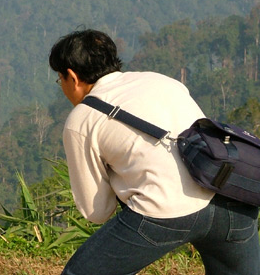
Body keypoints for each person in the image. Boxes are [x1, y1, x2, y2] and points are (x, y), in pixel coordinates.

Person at [49, 29, 260, 275]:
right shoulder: (163, 81)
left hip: (163, 213)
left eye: (60, 79)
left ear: (72, 77)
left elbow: (97, 212)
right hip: (230, 199)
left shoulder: (82, 119)